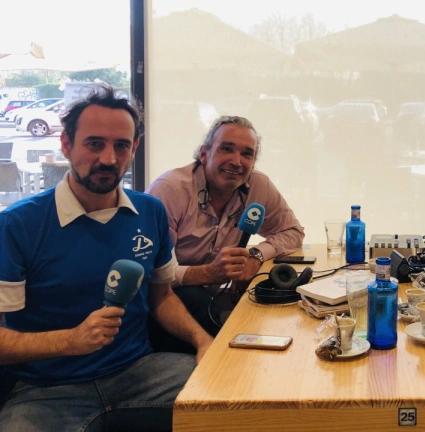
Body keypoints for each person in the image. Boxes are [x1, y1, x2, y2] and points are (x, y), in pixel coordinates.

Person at [0, 85, 213, 431]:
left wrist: (203, 341)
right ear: (66, 144)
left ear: (134, 148)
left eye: (121, 146)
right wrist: (70, 340)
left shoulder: (150, 211)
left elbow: (162, 297)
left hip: (141, 372)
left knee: (242, 400)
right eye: (94, 144)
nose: (109, 159)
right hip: (45, 390)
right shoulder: (17, 225)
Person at [146, 115, 304, 347]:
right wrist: (207, 273)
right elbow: (150, 272)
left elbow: (293, 232)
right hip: (163, 306)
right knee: (194, 297)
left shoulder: (258, 185)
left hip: (211, 300)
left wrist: (255, 256)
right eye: (226, 149)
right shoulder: (170, 190)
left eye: (247, 154)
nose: (236, 161)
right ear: (204, 154)